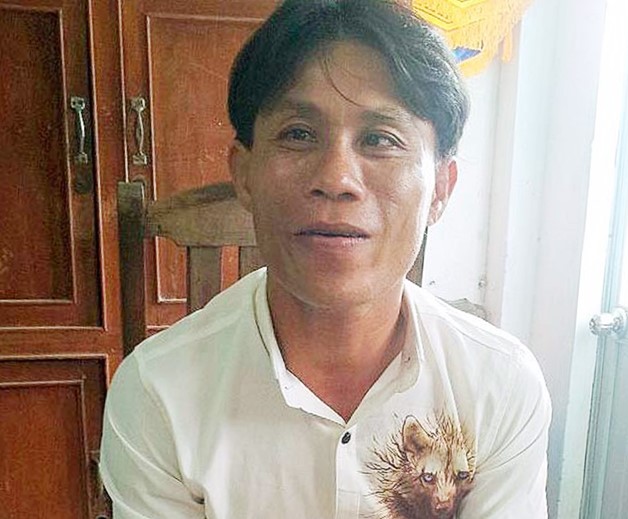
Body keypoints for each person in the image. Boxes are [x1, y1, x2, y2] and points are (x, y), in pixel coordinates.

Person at [100, 0, 551, 517]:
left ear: (441, 190)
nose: (336, 178)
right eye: (298, 134)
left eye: (380, 139)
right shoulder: (158, 393)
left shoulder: (498, 384)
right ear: (244, 174)